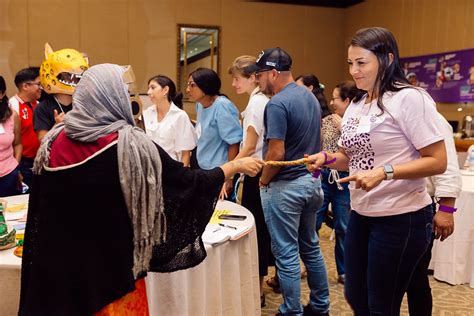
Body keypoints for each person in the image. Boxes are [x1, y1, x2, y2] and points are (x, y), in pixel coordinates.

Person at [19, 64, 264, 315]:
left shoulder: (54, 141)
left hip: (57, 268)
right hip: (110, 275)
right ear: (114, 98)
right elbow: (186, 183)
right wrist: (234, 166)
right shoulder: (129, 144)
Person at [307, 27, 447, 315]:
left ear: (387, 59)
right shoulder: (358, 103)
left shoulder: (409, 98)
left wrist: (385, 172)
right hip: (363, 214)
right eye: (350, 63)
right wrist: (327, 159)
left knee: (381, 306)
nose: (354, 71)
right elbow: (349, 157)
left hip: (402, 217)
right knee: (356, 297)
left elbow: (437, 160)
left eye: (362, 62)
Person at [250, 47, 330, 316]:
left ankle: (291, 310)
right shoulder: (309, 96)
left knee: (285, 253)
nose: (258, 80)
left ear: (273, 73)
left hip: (285, 187)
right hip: (311, 183)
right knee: (310, 247)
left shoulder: (277, 103)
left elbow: (276, 152)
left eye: (260, 74)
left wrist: (262, 180)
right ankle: (320, 307)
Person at [406, 112, 462, 316]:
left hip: (420, 206)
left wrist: (446, 208)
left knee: (416, 279)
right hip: (384, 209)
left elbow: (446, 165)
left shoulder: (426, 113)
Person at [227, 55, 271, 307]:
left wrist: (229, 169)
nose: (233, 84)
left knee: (258, 234)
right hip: (257, 172)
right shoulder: (261, 101)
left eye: (236, 78)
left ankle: (258, 289)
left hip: (255, 172)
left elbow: (250, 146)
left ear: (253, 77)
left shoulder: (256, 104)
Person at [315, 81, 362, 285]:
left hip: (345, 180)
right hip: (324, 177)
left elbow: (357, 152)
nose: (332, 102)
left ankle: (344, 270)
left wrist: (343, 127)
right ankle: (310, 265)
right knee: (312, 223)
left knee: (343, 227)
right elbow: (320, 148)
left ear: (348, 100)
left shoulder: (361, 122)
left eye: (336, 98)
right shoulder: (326, 121)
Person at [186, 67, 242, 197]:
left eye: (192, 85)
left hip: (221, 171)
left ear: (205, 86)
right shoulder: (200, 104)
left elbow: (234, 143)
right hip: (203, 168)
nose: (188, 89)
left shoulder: (222, 106)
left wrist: (228, 177)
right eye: (188, 84)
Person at [34, 43, 89, 142]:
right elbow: (42, 140)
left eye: (77, 77)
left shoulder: (84, 104)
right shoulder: (42, 108)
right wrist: (57, 126)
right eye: (67, 75)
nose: (74, 80)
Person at [143, 75, 196, 166]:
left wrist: (180, 177)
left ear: (165, 90)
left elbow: (185, 154)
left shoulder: (180, 116)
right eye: (148, 88)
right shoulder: (146, 114)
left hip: (172, 170)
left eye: (153, 88)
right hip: (150, 169)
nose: (148, 92)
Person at [8, 67, 42, 191]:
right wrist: (15, 169)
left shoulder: (38, 105)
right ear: (25, 86)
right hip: (22, 162)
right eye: (38, 84)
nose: (41, 88)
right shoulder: (12, 107)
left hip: (39, 160)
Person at [0, 75, 22, 197]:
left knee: (9, 213)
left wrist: (15, 166)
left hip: (8, 175)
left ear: (2, 94)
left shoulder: (12, 116)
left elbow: (18, 144)